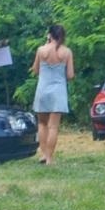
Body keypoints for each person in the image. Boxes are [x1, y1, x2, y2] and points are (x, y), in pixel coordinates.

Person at [29, 24, 74, 164]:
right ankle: (49, 158)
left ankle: (42, 154)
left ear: (49, 35)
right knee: (53, 126)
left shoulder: (41, 50)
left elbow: (35, 70)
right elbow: (70, 74)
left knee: (42, 123)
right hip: (58, 90)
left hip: (42, 89)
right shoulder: (66, 52)